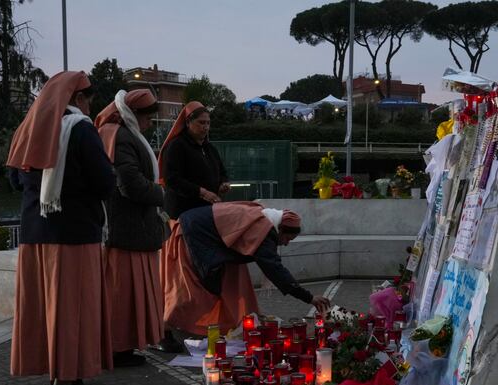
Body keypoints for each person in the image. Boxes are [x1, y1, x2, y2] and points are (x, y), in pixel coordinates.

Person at [7, 71, 116, 385]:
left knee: (46, 309)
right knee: (72, 309)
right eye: (88, 98)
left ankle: (57, 373)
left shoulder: (28, 128)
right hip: (73, 234)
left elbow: (13, 178)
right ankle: (65, 382)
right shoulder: (81, 129)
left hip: (34, 236)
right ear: (77, 98)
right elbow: (104, 182)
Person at [163, 202, 330, 336]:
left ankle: (214, 323)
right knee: (192, 289)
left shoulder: (263, 217)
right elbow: (275, 270)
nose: (286, 244)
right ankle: (164, 329)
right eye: (287, 238)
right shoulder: (263, 231)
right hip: (192, 235)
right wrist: (309, 297)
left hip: (199, 231)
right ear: (280, 229)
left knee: (220, 284)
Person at [95, 89, 165, 367]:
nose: (149, 123)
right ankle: (117, 348)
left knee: (123, 294)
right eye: (147, 116)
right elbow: (131, 184)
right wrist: (162, 194)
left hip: (129, 229)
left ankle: (121, 347)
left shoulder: (117, 133)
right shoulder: (120, 135)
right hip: (128, 229)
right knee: (123, 296)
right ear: (133, 114)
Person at [159, 101, 231, 219]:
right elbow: (172, 179)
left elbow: (222, 172)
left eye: (208, 123)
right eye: (201, 122)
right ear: (188, 122)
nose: (206, 127)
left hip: (206, 211)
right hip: (183, 213)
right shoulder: (176, 146)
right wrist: (201, 192)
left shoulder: (210, 148)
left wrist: (223, 183)